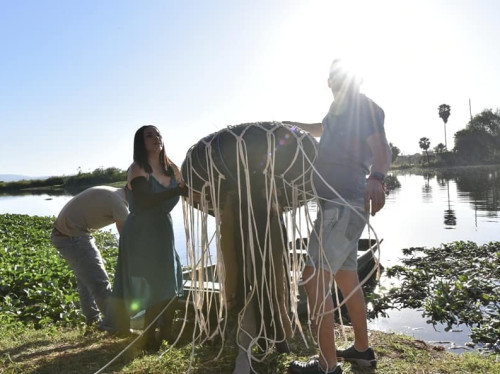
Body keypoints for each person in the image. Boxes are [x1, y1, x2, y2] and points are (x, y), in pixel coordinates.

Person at [284, 59, 392, 374]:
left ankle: (327, 366)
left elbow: (381, 146)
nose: (338, 82)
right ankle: (362, 350)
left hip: (342, 206)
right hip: (339, 207)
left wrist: (378, 177)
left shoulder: (362, 107)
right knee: (346, 279)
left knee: (313, 278)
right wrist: (293, 127)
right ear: (328, 82)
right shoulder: (337, 113)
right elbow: (322, 129)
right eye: (333, 77)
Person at [105, 125, 188, 350]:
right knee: (151, 283)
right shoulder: (137, 168)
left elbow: (189, 192)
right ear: (140, 142)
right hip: (140, 230)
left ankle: (167, 333)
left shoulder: (173, 168)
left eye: (158, 134)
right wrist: (178, 191)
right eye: (149, 135)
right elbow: (144, 200)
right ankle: (150, 337)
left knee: (171, 282)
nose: (156, 138)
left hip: (163, 228)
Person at [51, 185, 129, 326]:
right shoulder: (119, 203)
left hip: (64, 234)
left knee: (86, 281)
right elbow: (127, 237)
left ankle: (93, 321)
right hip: (72, 236)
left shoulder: (115, 192)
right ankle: (116, 326)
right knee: (100, 282)